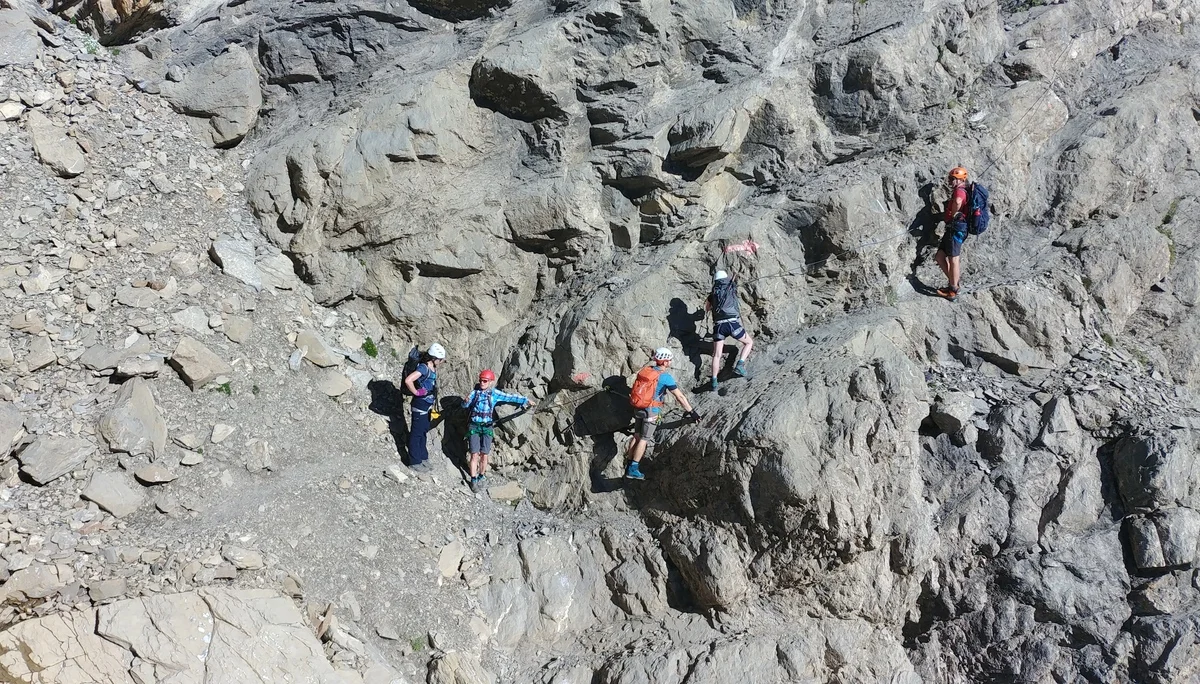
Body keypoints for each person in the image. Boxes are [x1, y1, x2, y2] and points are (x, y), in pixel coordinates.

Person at [624, 348, 699, 481]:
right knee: (644, 439)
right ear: (664, 362)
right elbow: (679, 396)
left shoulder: (647, 370)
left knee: (636, 435)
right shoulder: (665, 377)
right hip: (651, 410)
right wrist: (691, 412)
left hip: (639, 407)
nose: (670, 362)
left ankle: (629, 463)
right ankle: (634, 468)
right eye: (669, 360)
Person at [461, 369, 534, 493]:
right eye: (481, 380)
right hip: (474, 426)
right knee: (474, 454)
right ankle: (473, 480)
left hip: (487, 427)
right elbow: (464, 406)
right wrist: (465, 402)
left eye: (485, 381)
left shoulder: (494, 394)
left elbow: (510, 398)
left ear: (490, 382)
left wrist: (525, 400)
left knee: (484, 455)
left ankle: (481, 476)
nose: (482, 383)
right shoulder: (475, 393)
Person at [705, 269, 754, 391]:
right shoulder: (731, 287)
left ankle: (714, 382)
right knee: (749, 342)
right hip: (732, 324)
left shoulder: (712, 294)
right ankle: (740, 365)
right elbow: (734, 284)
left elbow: (707, 309)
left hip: (718, 326)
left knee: (716, 355)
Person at [403, 343, 445, 472]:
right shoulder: (424, 368)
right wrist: (416, 392)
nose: (442, 362)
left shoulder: (431, 368)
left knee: (422, 431)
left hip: (427, 405)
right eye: (440, 359)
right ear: (434, 358)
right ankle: (414, 461)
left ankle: (423, 457)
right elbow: (408, 380)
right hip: (420, 404)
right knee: (416, 433)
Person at [935, 166, 970, 301]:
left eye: (952, 179)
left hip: (957, 227)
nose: (950, 181)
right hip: (955, 227)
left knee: (953, 258)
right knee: (939, 256)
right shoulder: (962, 190)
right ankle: (954, 284)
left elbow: (958, 201)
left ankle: (953, 290)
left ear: (959, 180)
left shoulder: (959, 191)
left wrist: (954, 214)